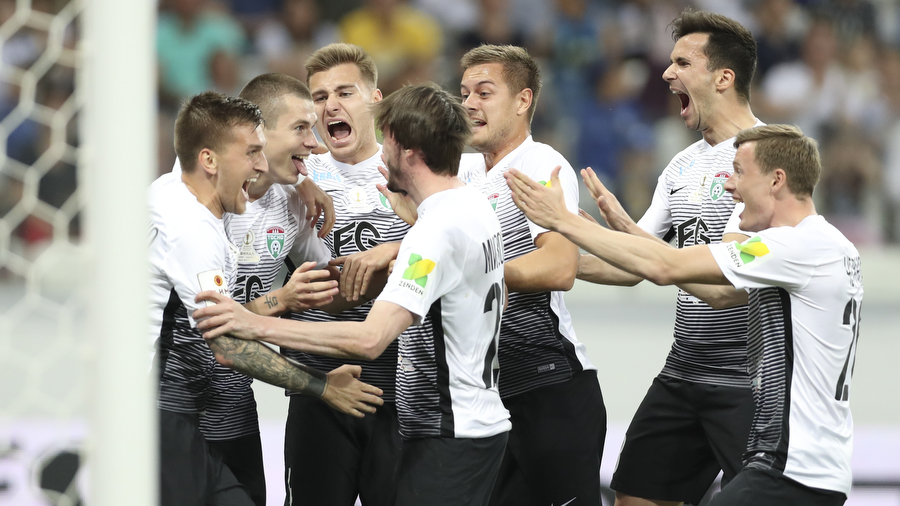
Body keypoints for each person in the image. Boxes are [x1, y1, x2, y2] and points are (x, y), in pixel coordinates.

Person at [505, 123, 860, 506]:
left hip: (795, 469)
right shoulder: (826, 245)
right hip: (797, 464)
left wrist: (564, 222)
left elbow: (667, 267)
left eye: (739, 174)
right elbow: (690, 278)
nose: (730, 187)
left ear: (777, 180)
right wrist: (596, 243)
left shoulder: (791, 247)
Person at [195, 83, 511, 506]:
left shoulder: (432, 233)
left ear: (410, 153)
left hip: (448, 431)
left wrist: (255, 321)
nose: (380, 153)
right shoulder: (471, 206)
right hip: (477, 425)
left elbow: (369, 339)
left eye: (389, 143)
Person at [149, 91, 383, 506]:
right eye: (251, 152)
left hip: (215, 402)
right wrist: (323, 386)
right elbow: (229, 343)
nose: (258, 165)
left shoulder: (179, 193)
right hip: (161, 408)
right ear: (209, 160)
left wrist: (300, 179)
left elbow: (221, 321)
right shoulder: (193, 229)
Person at [576, 10, 762, 506]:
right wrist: (547, 261)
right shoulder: (683, 163)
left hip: (748, 380)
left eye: (682, 61)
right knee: (635, 498)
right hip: (683, 372)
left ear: (723, 77)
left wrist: (616, 231)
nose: (665, 72)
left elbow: (726, 285)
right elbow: (631, 264)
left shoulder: (767, 158)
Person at [459, 44, 606, 506]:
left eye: (484, 92)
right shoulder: (459, 170)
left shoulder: (541, 164)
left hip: (550, 386)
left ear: (523, 101)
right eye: (463, 92)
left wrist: (467, 281)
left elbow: (560, 267)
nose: (468, 103)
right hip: (484, 392)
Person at [196, 73, 337, 506]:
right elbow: (214, 334)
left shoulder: (293, 201)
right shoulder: (197, 209)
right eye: (300, 128)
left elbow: (333, 280)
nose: (314, 143)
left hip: (237, 409)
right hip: (179, 412)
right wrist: (283, 300)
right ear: (255, 131)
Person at [277, 43, 408, 506]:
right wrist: (293, 176)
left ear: (375, 97)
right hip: (319, 384)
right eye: (318, 96)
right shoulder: (292, 175)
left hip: (398, 386)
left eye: (345, 92)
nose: (330, 105)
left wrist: (393, 249)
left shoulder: (411, 169)